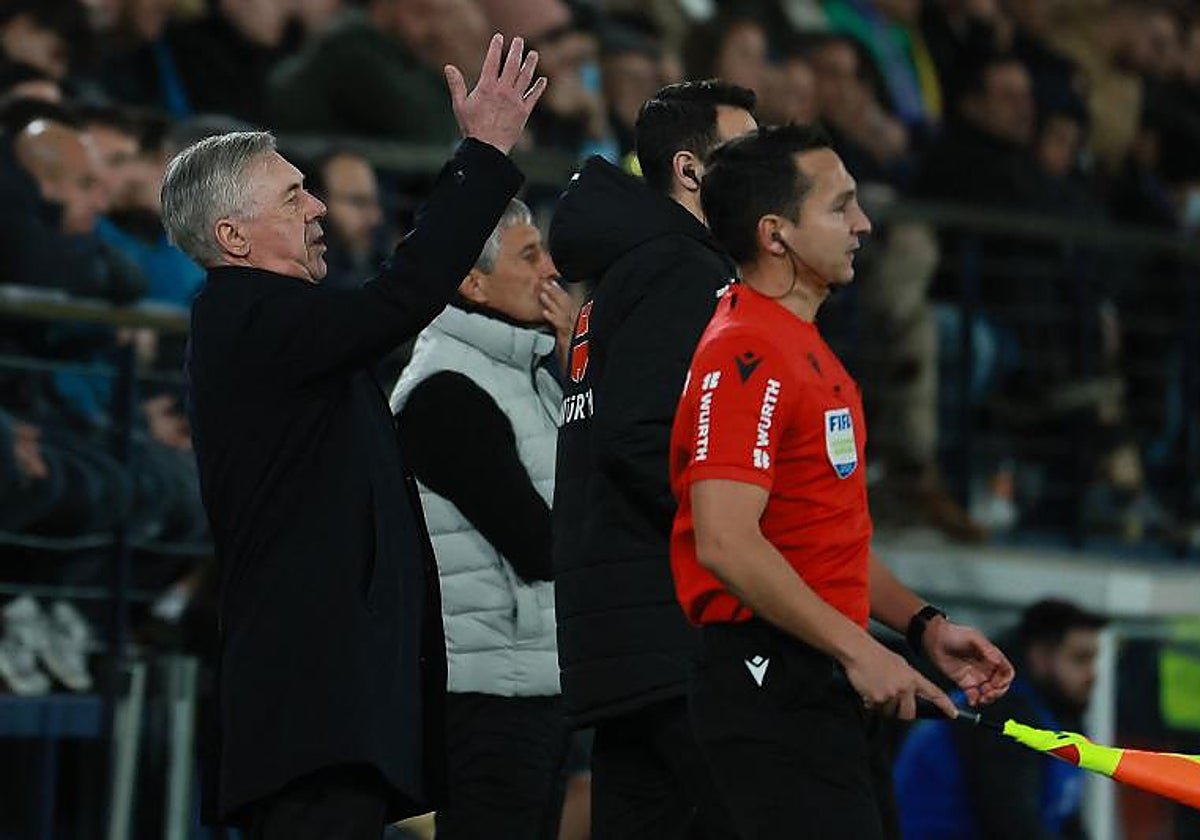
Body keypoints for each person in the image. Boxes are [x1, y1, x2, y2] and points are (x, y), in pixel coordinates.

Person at [167, 34, 546, 836]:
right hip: (310, 708)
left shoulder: (287, 329)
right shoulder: (247, 317)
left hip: (333, 707)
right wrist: (481, 154)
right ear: (233, 238)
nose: (317, 209)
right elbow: (401, 296)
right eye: (293, 196)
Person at [669, 124, 1015, 839]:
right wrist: (860, 650)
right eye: (840, 206)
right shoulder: (746, 352)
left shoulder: (805, 348)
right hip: (768, 681)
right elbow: (727, 544)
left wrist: (922, 627)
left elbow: (819, 538)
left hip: (821, 672)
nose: (862, 224)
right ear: (777, 234)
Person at [549, 79, 756, 838]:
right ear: (691, 171)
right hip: (671, 633)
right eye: (744, 151)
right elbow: (642, 436)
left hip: (622, 634)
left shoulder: (623, 270)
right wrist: (739, 533)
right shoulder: (682, 268)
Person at [390, 198, 574, 839]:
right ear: (471, 281)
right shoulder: (446, 390)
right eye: (530, 255)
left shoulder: (523, 370)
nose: (552, 270)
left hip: (531, 682)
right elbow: (540, 543)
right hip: (486, 696)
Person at [894, 598, 1105, 839]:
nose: (1092, 674)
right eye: (1080, 659)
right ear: (1042, 656)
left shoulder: (1055, 715)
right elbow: (1011, 826)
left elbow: (1064, 817)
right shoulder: (999, 714)